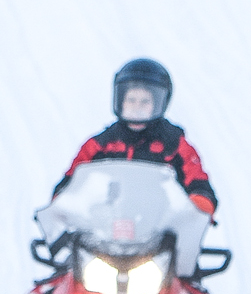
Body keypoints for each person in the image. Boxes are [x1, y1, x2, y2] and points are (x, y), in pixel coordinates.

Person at [52, 57, 215, 214]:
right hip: (104, 225)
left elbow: (198, 183)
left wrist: (198, 205)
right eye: (131, 100)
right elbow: (70, 183)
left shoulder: (174, 145)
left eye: (145, 101)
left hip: (161, 228)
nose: (137, 107)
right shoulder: (99, 145)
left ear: (160, 103)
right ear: (120, 100)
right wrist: (61, 204)